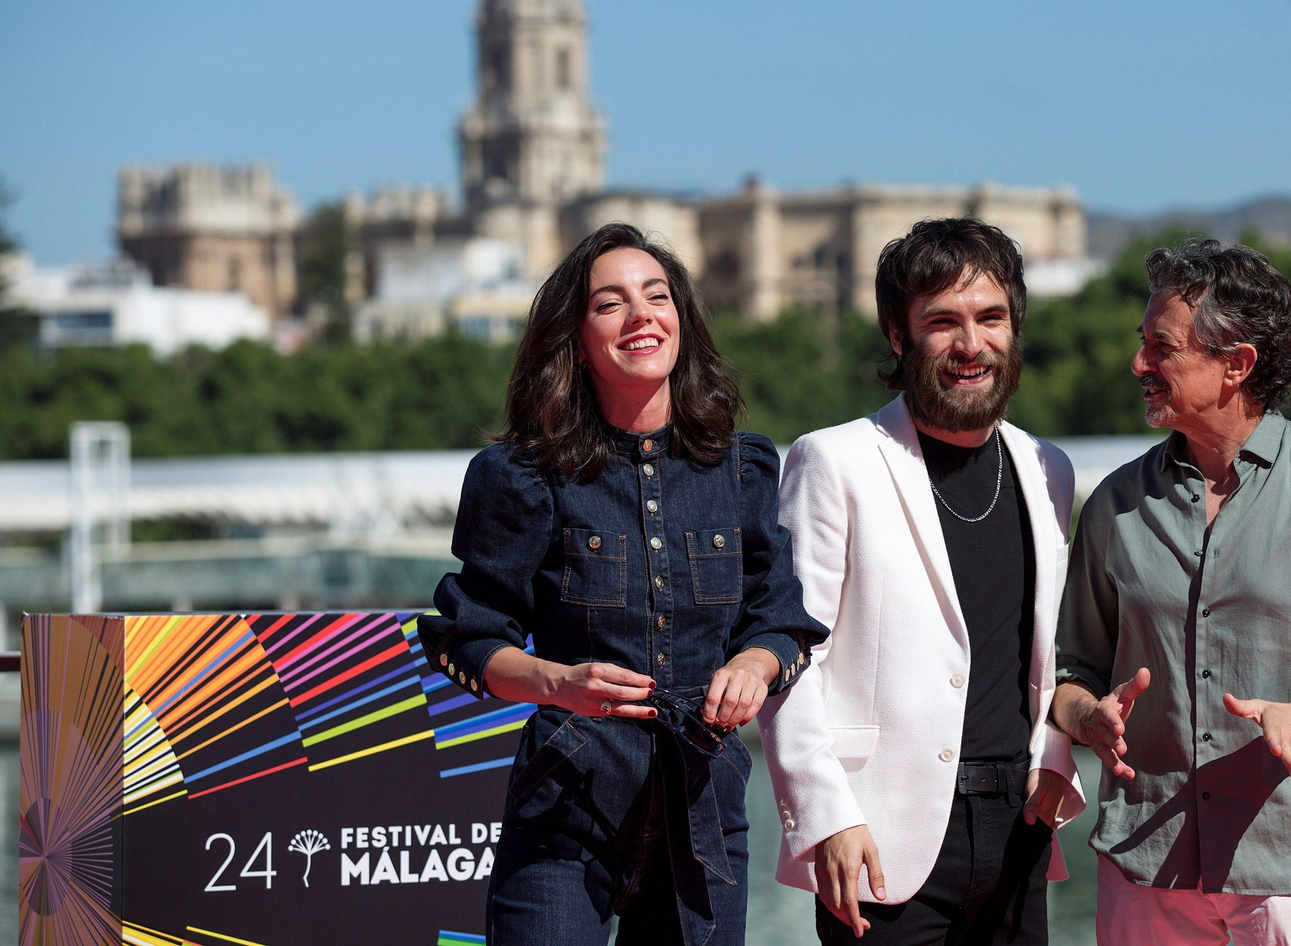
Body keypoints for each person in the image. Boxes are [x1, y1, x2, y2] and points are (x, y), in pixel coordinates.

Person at [417, 222, 827, 946]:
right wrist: (556, 683)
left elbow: (782, 619)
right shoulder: (520, 476)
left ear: (681, 322)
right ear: (577, 341)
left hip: (705, 817)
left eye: (657, 296)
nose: (641, 315)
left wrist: (753, 666)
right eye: (610, 304)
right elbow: (467, 638)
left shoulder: (744, 468)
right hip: (563, 818)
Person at [1051, 240, 1291, 946]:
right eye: (1142, 342)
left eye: (1161, 348)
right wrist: (1088, 717)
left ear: (1237, 364)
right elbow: (1072, 674)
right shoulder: (1113, 505)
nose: (1138, 364)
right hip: (1142, 868)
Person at [759, 218, 1086, 946]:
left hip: (1021, 828)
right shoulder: (833, 461)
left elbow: (1047, 653)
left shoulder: (1048, 469)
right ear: (898, 335)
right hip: (875, 838)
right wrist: (825, 817)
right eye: (943, 322)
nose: (971, 344)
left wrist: (1056, 760)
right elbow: (791, 652)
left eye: (991, 318)